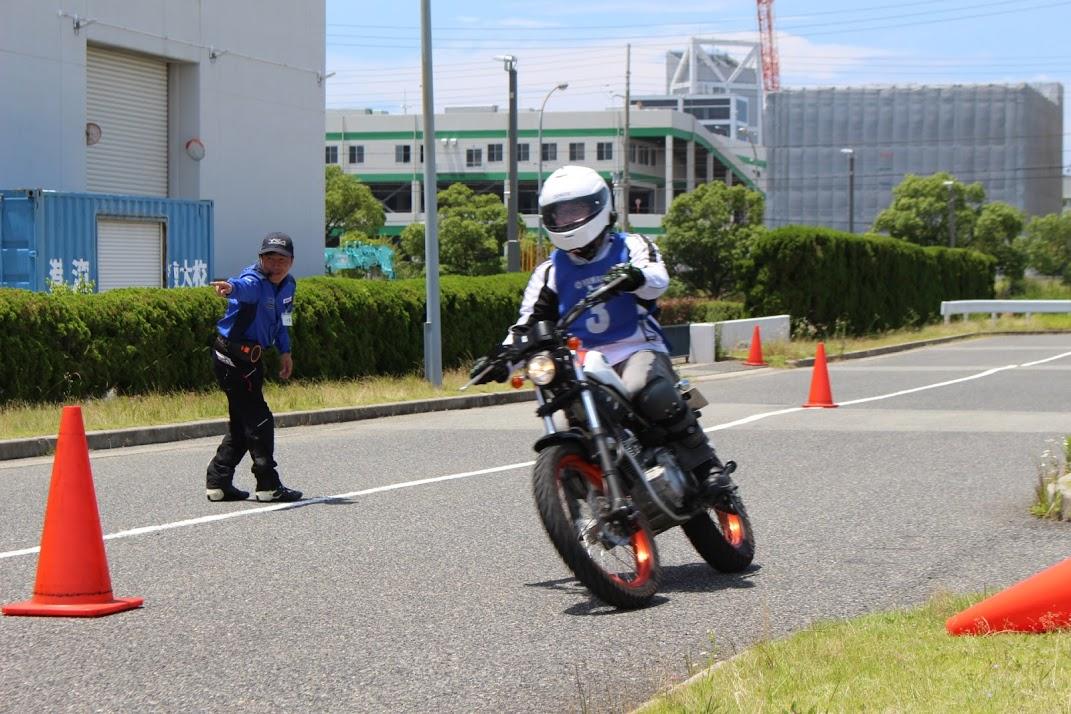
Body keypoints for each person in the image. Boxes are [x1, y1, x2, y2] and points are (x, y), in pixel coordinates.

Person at [471, 165, 733, 501]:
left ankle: (706, 467)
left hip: (636, 347)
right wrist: (500, 360)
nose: (567, 221)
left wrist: (635, 277)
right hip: (583, 363)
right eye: (560, 214)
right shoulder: (549, 272)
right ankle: (606, 504)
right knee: (569, 431)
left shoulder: (632, 246)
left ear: (599, 207)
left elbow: (658, 279)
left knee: (646, 391)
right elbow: (526, 326)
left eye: (576, 211)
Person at [204, 232, 303, 503]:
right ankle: (268, 485)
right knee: (260, 419)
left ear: (291, 261)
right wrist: (230, 288)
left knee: (242, 424)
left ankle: (218, 481)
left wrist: (286, 352)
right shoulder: (254, 281)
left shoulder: (289, 286)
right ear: (260, 259)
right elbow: (242, 286)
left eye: (281, 258)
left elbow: (285, 320)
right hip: (231, 358)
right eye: (269, 257)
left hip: (251, 359)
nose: (275, 263)